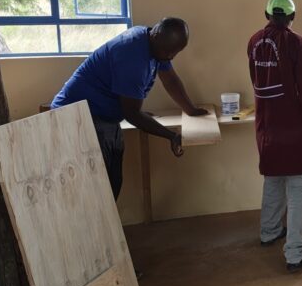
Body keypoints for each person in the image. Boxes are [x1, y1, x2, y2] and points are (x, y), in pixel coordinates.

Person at [51, 18, 206, 200]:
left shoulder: (157, 45)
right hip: (77, 117)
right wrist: (171, 136)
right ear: (155, 35)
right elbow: (132, 114)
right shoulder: (132, 57)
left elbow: (170, 80)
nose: (171, 56)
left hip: (103, 116)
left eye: (175, 52)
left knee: (113, 182)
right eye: (168, 51)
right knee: (96, 188)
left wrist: (191, 109)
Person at [248, 0, 302, 273]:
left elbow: (256, 81)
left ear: (266, 14)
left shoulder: (254, 42)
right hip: (293, 128)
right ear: (293, 17)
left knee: (273, 179)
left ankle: (269, 231)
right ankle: (294, 253)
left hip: (267, 127)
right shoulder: (297, 44)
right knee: (299, 187)